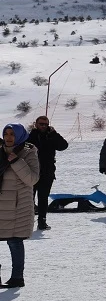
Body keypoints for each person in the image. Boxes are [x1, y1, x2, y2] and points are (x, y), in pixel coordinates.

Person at [1, 123, 39, 287]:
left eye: (12, 134)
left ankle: (17, 277)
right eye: (6, 134)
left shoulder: (29, 152)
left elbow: (32, 179)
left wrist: (17, 161)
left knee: (14, 241)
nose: (9, 137)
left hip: (18, 206)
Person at [28, 115, 67, 232]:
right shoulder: (30, 136)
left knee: (43, 198)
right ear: (36, 124)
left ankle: (42, 221)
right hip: (31, 172)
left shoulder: (51, 136)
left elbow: (64, 146)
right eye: (41, 124)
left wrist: (54, 134)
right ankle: (27, 222)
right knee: (29, 199)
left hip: (47, 172)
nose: (43, 126)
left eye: (45, 124)